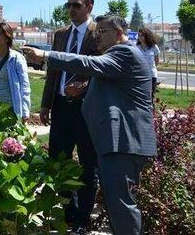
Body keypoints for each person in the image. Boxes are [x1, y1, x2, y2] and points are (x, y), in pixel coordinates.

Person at [23, 15, 157, 235]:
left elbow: (89, 63)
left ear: (119, 33)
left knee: (121, 204)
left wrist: (46, 55)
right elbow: (110, 84)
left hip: (123, 141)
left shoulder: (124, 52)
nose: (97, 37)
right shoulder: (117, 57)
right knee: (115, 203)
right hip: (115, 142)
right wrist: (84, 88)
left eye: (102, 32)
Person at [40, 0, 99, 234]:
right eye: (68, 5)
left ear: (89, 6)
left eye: (76, 5)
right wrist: (45, 104)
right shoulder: (61, 34)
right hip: (62, 106)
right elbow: (53, 70)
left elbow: (102, 71)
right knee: (59, 161)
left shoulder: (99, 34)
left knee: (87, 163)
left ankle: (83, 220)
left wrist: (84, 86)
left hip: (87, 108)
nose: (71, 9)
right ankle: (68, 213)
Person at [137, 27, 160, 97]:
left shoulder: (154, 47)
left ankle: (151, 108)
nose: (140, 37)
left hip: (151, 75)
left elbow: (157, 61)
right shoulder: (136, 47)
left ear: (147, 36)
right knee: (141, 96)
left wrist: (151, 68)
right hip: (140, 75)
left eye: (142, 35)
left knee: (150, 96)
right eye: (139, 35)